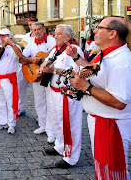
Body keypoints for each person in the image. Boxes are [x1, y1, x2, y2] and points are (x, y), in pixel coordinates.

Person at [67, 17, 131, 179]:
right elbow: (95, 72)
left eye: (99, 27)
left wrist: (86, 87)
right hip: (104, 122)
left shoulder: (122, 63)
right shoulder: (108, 55)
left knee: (113, 172)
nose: (94, 31)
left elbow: (119, 102)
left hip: (113, 125)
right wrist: (76, 59)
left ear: (112, 34)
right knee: (105, 170)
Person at [39, 24, 84, 169]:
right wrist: (43, 69)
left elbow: (75, 72)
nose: (55, 36)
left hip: (67, 94)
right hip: (53, 91)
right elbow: (46, 64)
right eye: (55, 34)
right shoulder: (56, 51)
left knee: (70, 125)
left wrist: (53, 70)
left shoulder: (75, 51)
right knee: (56, 122)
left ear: (68, 36)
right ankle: (60, 146)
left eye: (59, 34)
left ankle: (71, 157)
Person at [0, 29, 32, 134]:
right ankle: (2, 121)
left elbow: (20, 55)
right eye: (0, 36)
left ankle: (11, 124)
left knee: (11, 103)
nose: (2, 38)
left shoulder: (15, 47)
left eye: (4, 36)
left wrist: (11, 43)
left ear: (9, 36)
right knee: (0, 102)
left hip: (8, 80)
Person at [22, 22, 56, 143]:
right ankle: (42, 125)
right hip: (37, 76)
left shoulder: (53, 41)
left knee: (50, 103)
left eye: (39, 29)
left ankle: (51, 131)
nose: (37, 31)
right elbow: (22, 58)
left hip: (50, 76)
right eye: (34, 29)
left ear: (44, 29)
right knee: (39, 102)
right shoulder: (31, 42)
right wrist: (31, 59)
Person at [17, 17, 37, 116]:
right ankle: (21, 108)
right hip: (25, 65)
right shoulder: (26, 36)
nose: (31, 27)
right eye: (29, 25)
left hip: (35, 66)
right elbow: (22, 47)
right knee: (21, 87)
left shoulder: (39, 37)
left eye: (33, 25)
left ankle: (40, 114)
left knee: (37, 91)